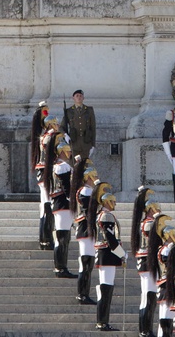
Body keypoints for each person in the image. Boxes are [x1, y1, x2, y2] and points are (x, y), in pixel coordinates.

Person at [88, 181, 127, 331]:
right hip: (107, 255)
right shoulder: (106, 216)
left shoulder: (102, 215)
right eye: (113, 201)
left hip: (105, 255)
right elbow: (110, 240)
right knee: (106, 289)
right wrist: (122, 254)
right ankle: (102, 321)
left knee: (106, 289)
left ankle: (103, 320)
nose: (114, 203)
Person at [43, 132, 77, 278]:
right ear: (62, 151)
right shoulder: (62, 166)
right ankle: (60, 267)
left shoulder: (56, 165)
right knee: (62, 236)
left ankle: (61, 266)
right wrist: (73, 200)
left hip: (59, 204)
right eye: (68, 150)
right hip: (63, 203)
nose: (70, 153)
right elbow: (66, 187)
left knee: (64, 236)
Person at [131, 187, 161, 337]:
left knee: (148, 296)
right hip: (148, 262)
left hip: (146, 262)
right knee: (148, 296)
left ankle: (146, 328)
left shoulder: (146, 222)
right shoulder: (149, 224)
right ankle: (145, 329)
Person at [70, 155, 99, 305]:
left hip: (87, 228)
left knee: (88, 262)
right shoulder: (86, 191)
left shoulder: (87, 191)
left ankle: (84, 292)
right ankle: (82, 294)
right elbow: (90, 211)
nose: (96, 179)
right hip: (85, 228)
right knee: (86, 261)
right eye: (94, 176)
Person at [147, 213, 175, 337]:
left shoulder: (167, 249)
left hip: (167, 285)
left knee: (167, 318)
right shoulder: (166, 250)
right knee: (166, 318)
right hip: (166, 285)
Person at [30, 102, 56, 250]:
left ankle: (44, 239)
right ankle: (46, 238)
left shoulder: (41, 136)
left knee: (44, 206)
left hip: (42, 173)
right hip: (47, 173)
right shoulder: (48, 136)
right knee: (47, 206)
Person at [61, 89, 96, 161]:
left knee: (85, 166)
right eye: (77, 96)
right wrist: (65, 135)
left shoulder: (89, 110)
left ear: (83, 98)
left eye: (80, 96)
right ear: (73, 98)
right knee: (75, 167)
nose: (79, 97)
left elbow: (93, 127)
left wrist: (93, 145)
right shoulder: (69, 111)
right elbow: (61, 127)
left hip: (86, 143)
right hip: (74, 143)